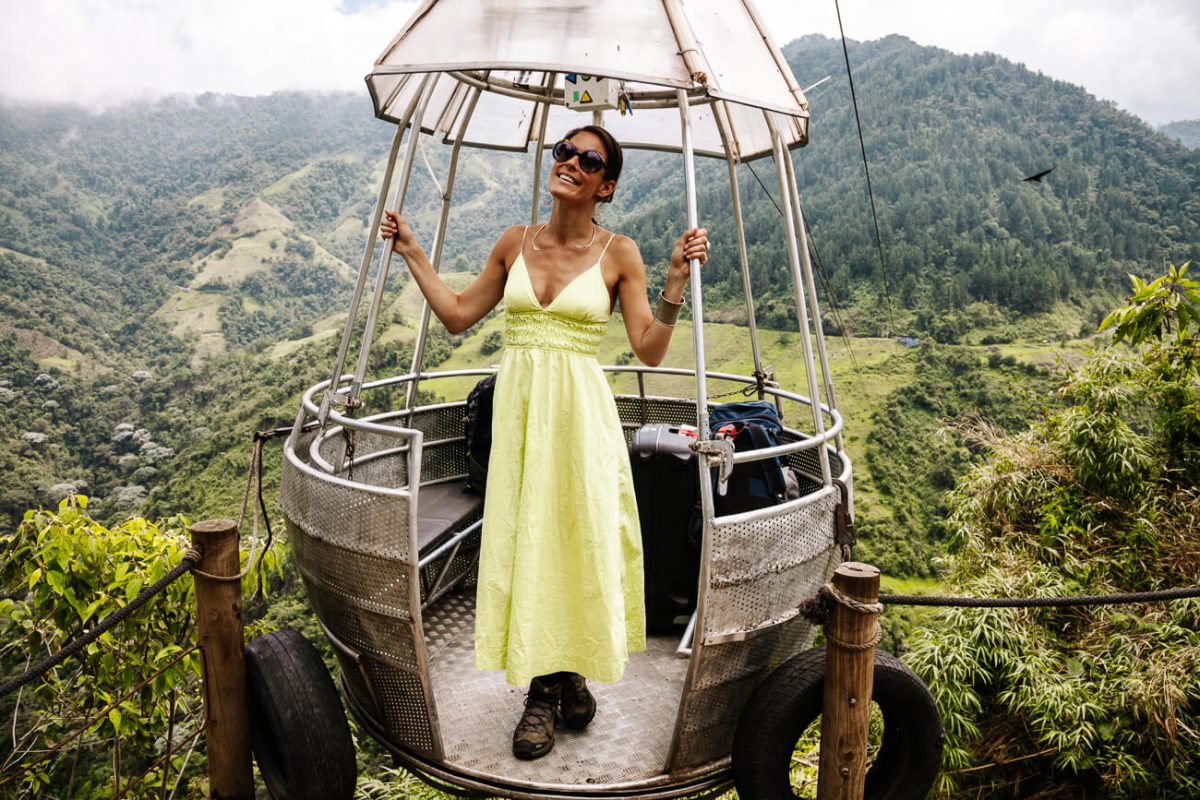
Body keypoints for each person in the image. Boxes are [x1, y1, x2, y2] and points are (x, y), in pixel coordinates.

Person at [381, 125, 708, 760]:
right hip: (523, 416)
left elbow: (650, 346)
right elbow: (455, 315)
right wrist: (414, 252)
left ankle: (548, 692)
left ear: (604, 184)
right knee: (530, 541)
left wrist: (673, 280)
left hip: (583, 420)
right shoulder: (514, 242)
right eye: (563, 151)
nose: (569, 162)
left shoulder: (621, 253)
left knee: (577, 542)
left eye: (587, 159)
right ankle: (560, 681)